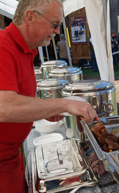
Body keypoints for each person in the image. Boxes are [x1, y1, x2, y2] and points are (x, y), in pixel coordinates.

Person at [0, 0, 100, 192]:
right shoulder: (3, 46)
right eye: (54, 24)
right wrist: (63, 104)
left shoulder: (25, 49)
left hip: (11, 156)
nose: (56, 31)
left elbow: (17, 100)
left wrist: (43, 110)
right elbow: (5, 107)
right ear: (30, 17)